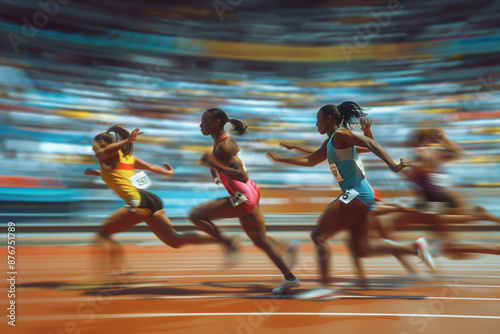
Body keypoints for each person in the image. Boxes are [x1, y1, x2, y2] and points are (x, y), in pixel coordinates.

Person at [267, 102, 435, 286]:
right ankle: (414, 248)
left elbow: (370, 143)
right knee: (363, 248)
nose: (316, 124)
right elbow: (310, 160)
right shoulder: (330, 142)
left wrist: (394, 166)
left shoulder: (340, 134)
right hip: (360, 194)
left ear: (329, 119)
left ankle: (326, 287)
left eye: (318, 120)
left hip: (357, 193)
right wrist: (280, 159)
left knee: (318, 236)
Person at [84, 125, 230, 274]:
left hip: (137, 202)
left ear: (102, 143)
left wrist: (127, 140)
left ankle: (118, 273)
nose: (92, 149)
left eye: (93, 145)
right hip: (152, 200)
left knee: (103, 234)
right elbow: (148, 167)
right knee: (174, 240)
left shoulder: (103, 154)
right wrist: (167, 173)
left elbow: (105, 152)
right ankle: (224, 240)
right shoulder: (126, 158)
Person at [188, 108, 299, 294]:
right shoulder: (220, 144)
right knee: (260, 240)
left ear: (216, 122)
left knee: (196, 215)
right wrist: (215, 170)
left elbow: (241, 174)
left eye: (203, 121)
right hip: (249, 192)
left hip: (242, 196)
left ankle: (229, 242)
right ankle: (290, 277)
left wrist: (213, 163)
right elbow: (228, 165)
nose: (200, 125)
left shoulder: (225, 144)